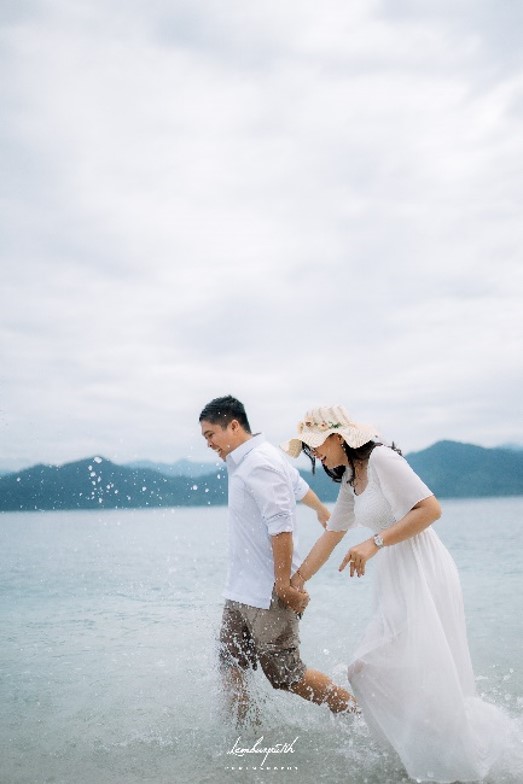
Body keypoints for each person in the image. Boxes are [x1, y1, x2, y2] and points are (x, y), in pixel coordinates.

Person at [282, 404, 514, 783]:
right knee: (378, 671)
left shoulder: (382, 460)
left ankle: (448, 758)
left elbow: (430, 509)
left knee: (381, 669)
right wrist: (295, 582)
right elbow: (332, 535)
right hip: (395, 576)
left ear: (338, 436)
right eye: (308, 448)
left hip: (424, 569)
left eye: (316, 444)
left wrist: (375, 542)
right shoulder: (351, 478)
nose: (313, 453)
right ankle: (420, 753)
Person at [199, 395, 358, 724]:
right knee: (230, 664)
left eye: (211, 435)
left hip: (267, 592)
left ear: (233, 426)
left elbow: (281, 526)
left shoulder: (260, 462)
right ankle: (245, 734)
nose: (208, 443)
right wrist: (321, 510)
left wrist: (284, 585)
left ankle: (358, 714)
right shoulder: (246, 459)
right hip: (239, 590)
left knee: (287, 676)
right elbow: (298, 486)